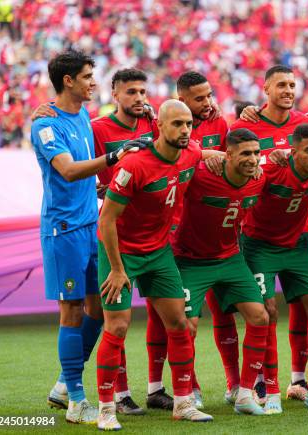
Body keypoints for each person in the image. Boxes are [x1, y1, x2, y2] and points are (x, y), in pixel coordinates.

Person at [31, 50, 147, 424]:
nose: (93, 82)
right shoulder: (46, 125)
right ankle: (77, 401)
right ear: (69, 81)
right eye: (87, 76)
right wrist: (113, 159)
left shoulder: (81, 114)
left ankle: (65, 383)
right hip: (63, 230)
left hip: (91, 224)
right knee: (72, 310)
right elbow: (66, 171)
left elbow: (86, 169)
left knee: (100, 308)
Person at [96, 100, 214, 430]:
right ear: (159, 126)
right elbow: (106, 220)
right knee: (117, 327)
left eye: (188, 124)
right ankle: (106, 408)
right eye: (177, 124)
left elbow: (205, 155)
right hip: (120, 251)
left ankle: (183, 403)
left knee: (180, 324)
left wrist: (227, 158)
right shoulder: (135, 165)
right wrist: (118, 270)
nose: (185, 130)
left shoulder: (190, 152)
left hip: (159, 252)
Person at [240, 123, 308, 411]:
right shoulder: (269, 167)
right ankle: (270, 391)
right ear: (293, 151)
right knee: (268, 311)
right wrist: (272, 154)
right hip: (259, 245)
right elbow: (236, 161)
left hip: (296, 245)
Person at [231, 65, 308, 402]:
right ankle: (264, 381)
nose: (288, 90)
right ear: (265, 88)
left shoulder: (306, 124)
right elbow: (233, 163)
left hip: (300, 232)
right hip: (258, 234)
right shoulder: (245, 125)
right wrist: (267, 159)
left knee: (307, 305)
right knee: (266, 309)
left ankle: (300, 379)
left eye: (292, 85)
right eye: (281, 84)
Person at [172, 128, 271, 416]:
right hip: (190, 260)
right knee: (186, 327)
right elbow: (172, 161)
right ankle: (186, 394)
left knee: (260, 317)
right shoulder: (200, 176)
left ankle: (244, 393)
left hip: (231, 259)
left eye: (256, 153)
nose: (253, 160)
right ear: (227, 155)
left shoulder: (259, 179)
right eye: (245, 154)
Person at [175, 71, 237, 406]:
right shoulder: (166, 122)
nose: (208, 103)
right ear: (181, 100)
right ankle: (189, 387)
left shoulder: (220, 124)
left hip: (219, 233)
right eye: (199, 98)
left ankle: (234, 383)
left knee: (224, 313)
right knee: (183, 319)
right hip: (180, 237)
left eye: (209, 95)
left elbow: (233, 165)